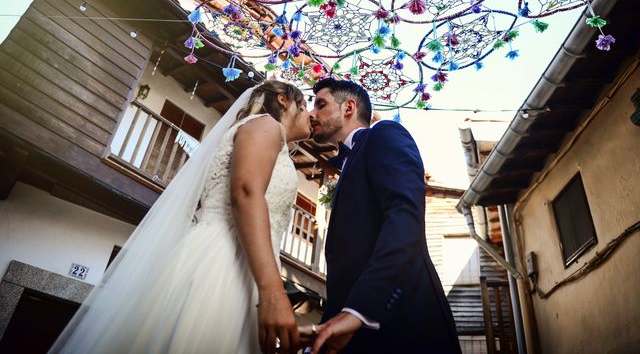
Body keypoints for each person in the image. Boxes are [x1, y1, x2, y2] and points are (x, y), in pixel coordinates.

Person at [50, 80, 311, 354]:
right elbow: (246, 192)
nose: (310, 115)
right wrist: (273, 293)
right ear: (283, 100)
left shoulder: (267, 136)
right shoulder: (265, 125)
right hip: (223, 260)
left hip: (246, 268)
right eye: (304, 107)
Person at [307, 78, 461, 354]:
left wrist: (359, 310)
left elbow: (404, 216)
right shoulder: (348, 161)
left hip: (405, 328)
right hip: (356, 333)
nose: (311, 113)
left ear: (349, 107)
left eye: (320, 104)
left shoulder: (385, 133)